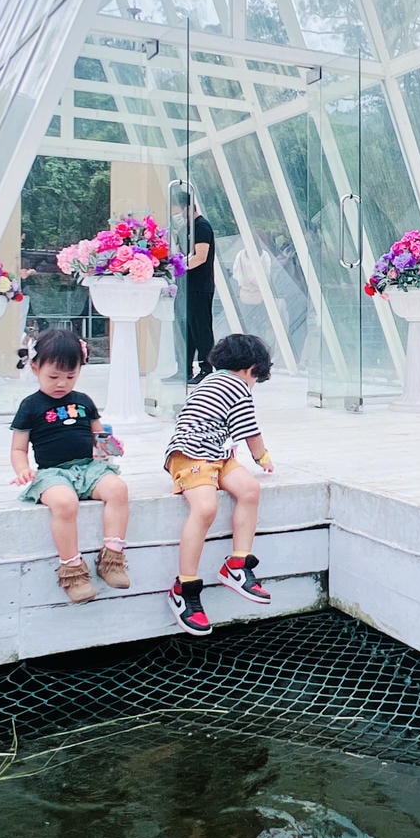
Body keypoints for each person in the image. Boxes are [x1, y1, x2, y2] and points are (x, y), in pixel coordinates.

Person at [162, 333, 274, 636]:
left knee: (249, 490)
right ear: (252, 369)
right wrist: (262, 456)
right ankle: (184, 588)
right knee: (205, 508)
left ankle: (237, 564)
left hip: (216, 455)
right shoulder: (237, 386)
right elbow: (250, 430)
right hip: (189, 455)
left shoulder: (211, 380)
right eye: (256, 378)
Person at [10, 328, 131, 604]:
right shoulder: (30, 406)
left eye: (70, 376)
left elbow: (99, 436)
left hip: (88, 468)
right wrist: (22, 469)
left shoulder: (84, 401)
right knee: (65, 504)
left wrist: (111, 448)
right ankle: (72, 570)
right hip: (53, 473)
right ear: (35, 367)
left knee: (118, 490)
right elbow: (18, 448)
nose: (61, 383)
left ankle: (112, 557)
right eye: (53, 376)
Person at [173, 189, 216, 384]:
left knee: (201, 329)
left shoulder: (202, 227)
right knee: (185, 329)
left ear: (188, 207)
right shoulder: (184, 230)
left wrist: (179, 267)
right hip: (185, 287)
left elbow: (200, 257)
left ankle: (206, 368)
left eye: (179, 209)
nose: (177, 214)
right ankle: (184, 369)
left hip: (200, 287)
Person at [231, 241, 273, 344]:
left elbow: (236, 274)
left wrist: (245, 283)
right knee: (261, 325)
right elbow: (267, 275)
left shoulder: (240, 255)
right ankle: (259, 345)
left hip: (245, 294)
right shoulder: (264, 256)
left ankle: (247, 346)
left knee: (247, 324)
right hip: (259, 294)